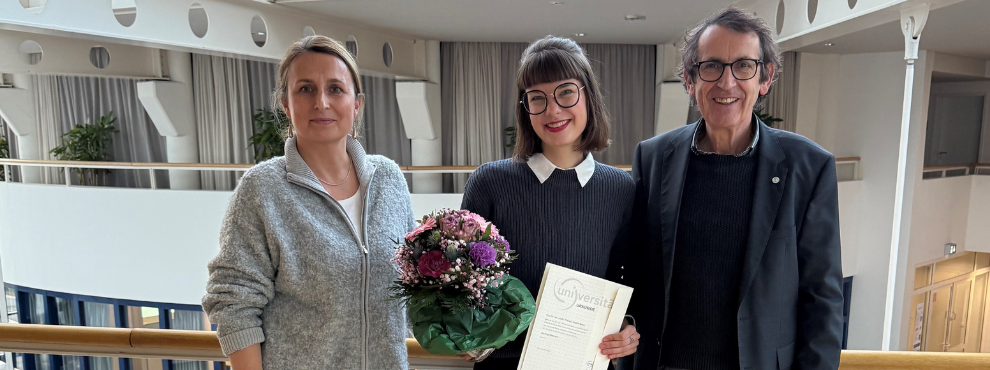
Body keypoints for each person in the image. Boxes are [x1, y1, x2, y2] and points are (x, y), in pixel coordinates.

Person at [625, 8, 844, 370]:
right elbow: (634, 272)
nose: (726, 83)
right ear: (690, 80)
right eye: (711, 66)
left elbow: (823, 298)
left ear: (765, 77)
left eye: (743, 65)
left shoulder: (809, 166)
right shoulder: (653, 157)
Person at [202, 35, 414, 370]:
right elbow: (234, 302)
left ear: (357, 103)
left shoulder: (388, 179)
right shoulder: (263, 189)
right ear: (286, 104)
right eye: (305, 89)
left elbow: (411, 284)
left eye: (335, 88)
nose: (321, 102)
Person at [460, 35, 639, 369]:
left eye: (566, 92)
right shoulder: (490, 182)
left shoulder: (620, 189)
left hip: (586, 362)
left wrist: (629, 326)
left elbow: (625, 278)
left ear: (588, 96)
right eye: (537, 98)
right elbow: (464, 281)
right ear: (524, 108)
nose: (553, 110)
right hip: (504, 363)